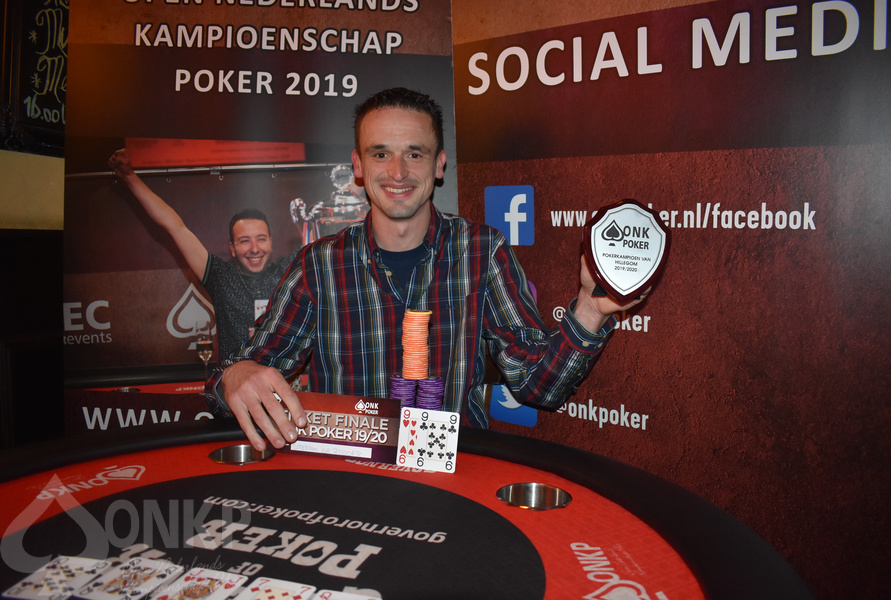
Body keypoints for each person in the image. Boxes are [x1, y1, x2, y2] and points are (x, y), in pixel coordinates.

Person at [208, 87, 649, 451]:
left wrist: (591, 310)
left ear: (439, 164)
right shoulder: (317, 265)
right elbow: (247, 372)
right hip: (348, 486)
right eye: (381, 154)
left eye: (414, 154)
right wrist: (235, 376)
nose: (397, 171)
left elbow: (538, 387)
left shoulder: (482, 251)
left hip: (458, 488)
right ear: (358, 166)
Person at [109, 148, 297, 361]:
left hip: (282, 378)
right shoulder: (220, 276)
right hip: (233, 379)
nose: (254, 248)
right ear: (232, 248)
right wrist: (129, 177)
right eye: (244, 241)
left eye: (261, 239)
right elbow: (175, 227)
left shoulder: (289, 272)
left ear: (271, 242)